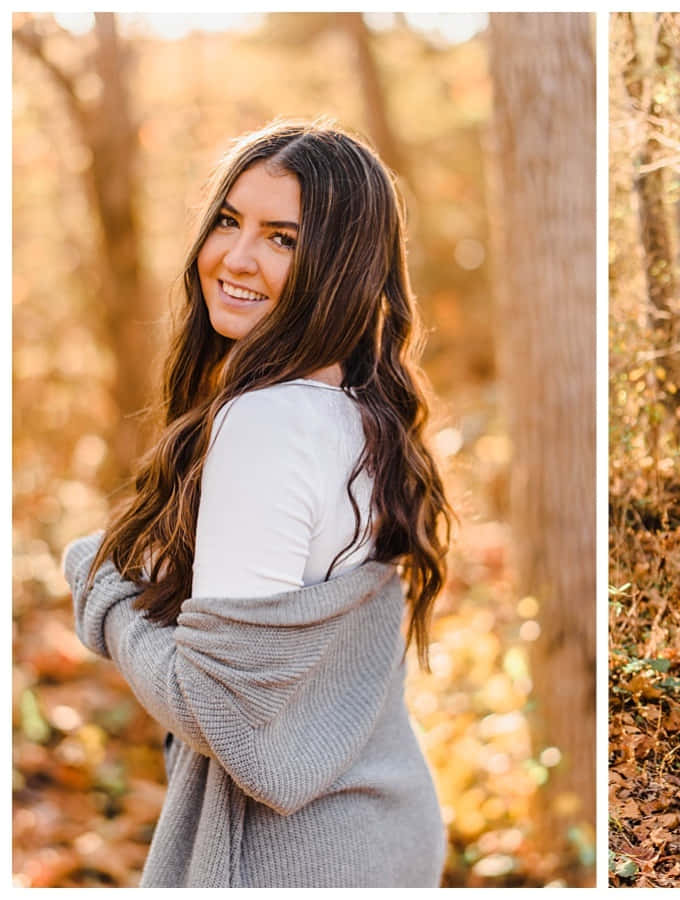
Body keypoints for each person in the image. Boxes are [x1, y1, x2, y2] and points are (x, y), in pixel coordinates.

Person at [61, 119, 451, 888]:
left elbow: (224, 713)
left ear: (338, 266)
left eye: (283, 238)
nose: (236, 259)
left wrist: (100, 586)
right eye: (230, 222)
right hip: (387, 826)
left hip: (296, 857)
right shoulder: (360, 414)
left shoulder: (268, 422)